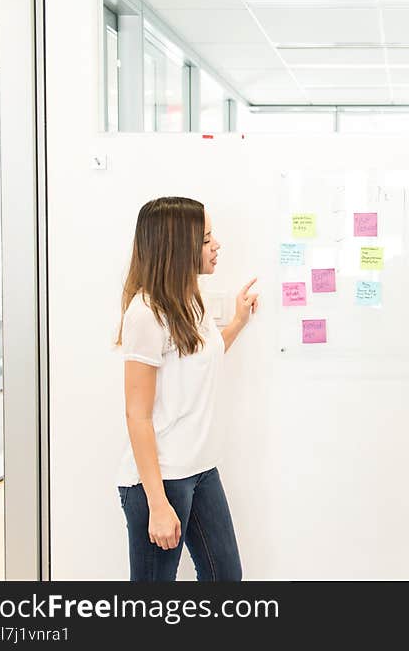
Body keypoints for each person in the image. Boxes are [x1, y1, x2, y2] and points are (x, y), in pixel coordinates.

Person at [115, 196, 259, 581]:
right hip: (161, 478)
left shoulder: (189, 300)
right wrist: (157, 503)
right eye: (206, 238)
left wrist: (239, 322)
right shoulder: (145, 313)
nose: (217, 246)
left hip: (200, 468)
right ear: (178, 246)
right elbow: (137, 414)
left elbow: (201, 358)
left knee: (224, 577)